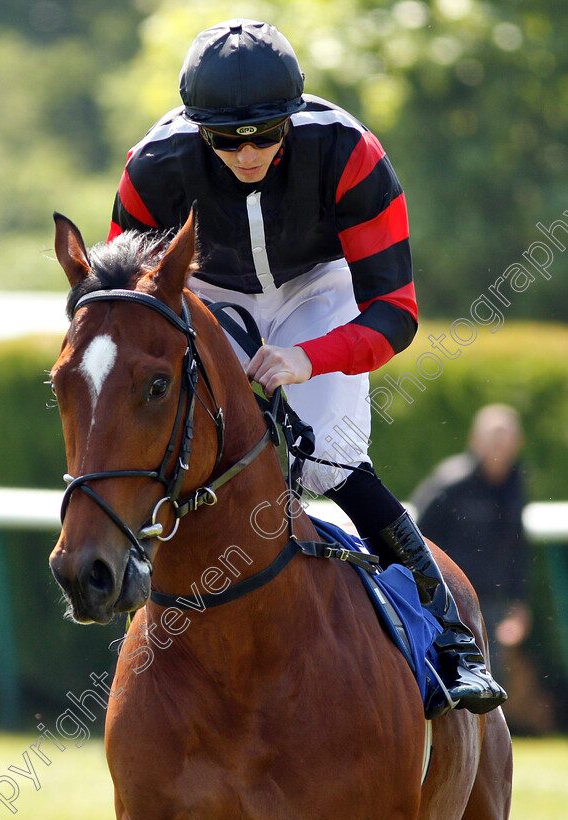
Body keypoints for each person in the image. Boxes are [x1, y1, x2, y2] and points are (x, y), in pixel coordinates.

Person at [107, 18, 506, 718]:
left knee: (327, 463)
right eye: (226, 139)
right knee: (177, 444)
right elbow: (124, 308)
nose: (247, 151)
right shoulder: (152, 167)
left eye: (265, 133)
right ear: (198, 130)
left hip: (319, 287)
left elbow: (396, 311)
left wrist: (306, 356)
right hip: (207, 288)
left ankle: (450, 636)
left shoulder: (349, 151)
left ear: (292, 118)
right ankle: (134, 584)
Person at [411, 404, 543, 725]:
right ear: (475, 440)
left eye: (507, 441)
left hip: (494, 603)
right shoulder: (449, 484)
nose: (500, 450)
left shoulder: (515, 486)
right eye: (494, 440)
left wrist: (519, 603)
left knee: (491, 682)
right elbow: (415, 539)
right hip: (450, 603)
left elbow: (516, 548)